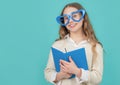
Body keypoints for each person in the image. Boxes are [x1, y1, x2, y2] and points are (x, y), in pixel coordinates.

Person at [44, 2, 103, 85]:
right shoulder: (57, 45)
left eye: (74, 16)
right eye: (66, 18)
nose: (70, 21)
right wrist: (60, 75)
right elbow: (48, 72)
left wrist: (77, 71)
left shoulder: (95, 46)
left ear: (83, 18)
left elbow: (97, 77)